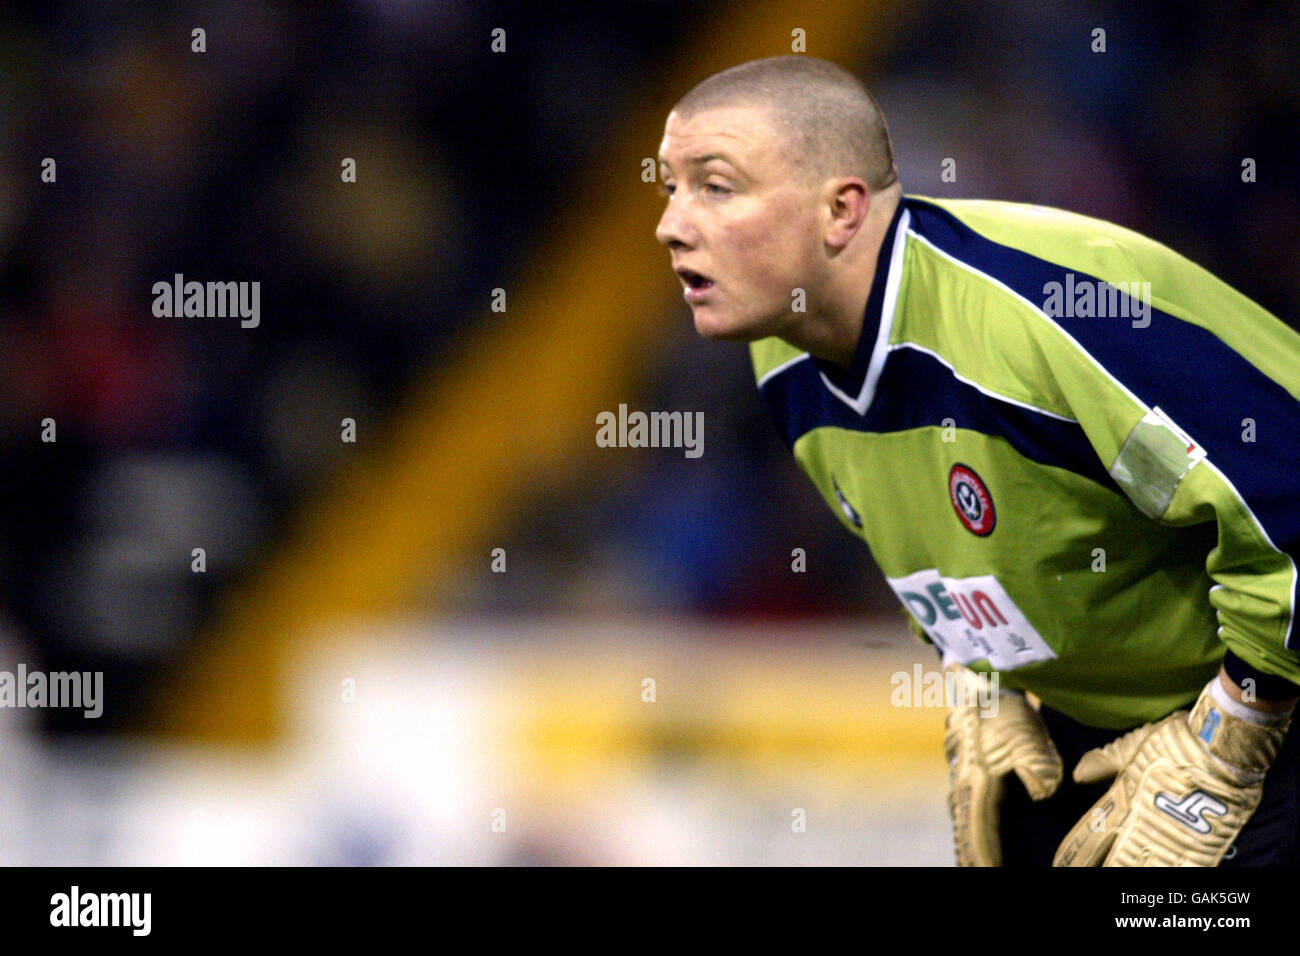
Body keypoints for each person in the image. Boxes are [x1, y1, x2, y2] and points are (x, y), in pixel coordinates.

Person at [653, 55, 1300, 866]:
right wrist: (983, 679)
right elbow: (955, 543)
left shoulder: (1054, 309)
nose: (672, 224)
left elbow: (1288, 499)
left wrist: (1238, 731)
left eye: (714, 186)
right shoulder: (781, 356)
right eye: (669, 188)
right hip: (1102, 726)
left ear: (841, 211)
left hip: (1265, 699)